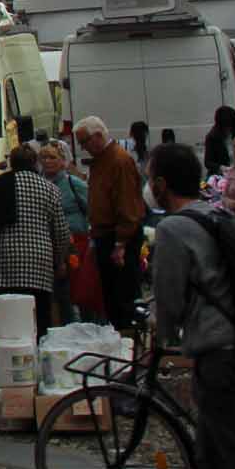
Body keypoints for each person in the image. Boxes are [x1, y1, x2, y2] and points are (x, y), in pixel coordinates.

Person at [148, 143, 235, 469]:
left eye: (151, 179)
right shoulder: (218, 212)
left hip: (222, 357)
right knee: (210, 458)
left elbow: (169, 298)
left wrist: (160, 335)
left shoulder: (172, 229)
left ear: (161, 184)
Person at [0, 146, 70, 334]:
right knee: (40, 315)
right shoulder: (50, 188)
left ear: (11, 163)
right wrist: (60, 259)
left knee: (10, 317)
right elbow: (61, 231)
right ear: (35, 163)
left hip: (6, 260)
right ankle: (39, 351)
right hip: (40, 260)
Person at [78, 117, 146, 331]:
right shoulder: (102, 160)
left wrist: (120, 244)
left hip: (118, 237)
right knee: (111, 299)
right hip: (105, 235)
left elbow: (127, 205)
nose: (83, 148)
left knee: (122, 298)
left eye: (85, 142)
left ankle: (128, 344)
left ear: (98, 136)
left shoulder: (118, 160)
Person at [41, 143, 95, 324]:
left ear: (63, 161)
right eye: (44, 157)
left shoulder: (74, 184)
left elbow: (92, 211)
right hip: (48, 246)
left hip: (75, 245)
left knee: (75, 290)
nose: (47, 161)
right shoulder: (38, 184)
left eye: (52, 157)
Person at [205, 105, 235, 176]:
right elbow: (208, 162)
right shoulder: (212, 138)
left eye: (231, 126)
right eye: (226, 126)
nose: (228, 129)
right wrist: (222, 168)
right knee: (204, 185)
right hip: (221, 176)